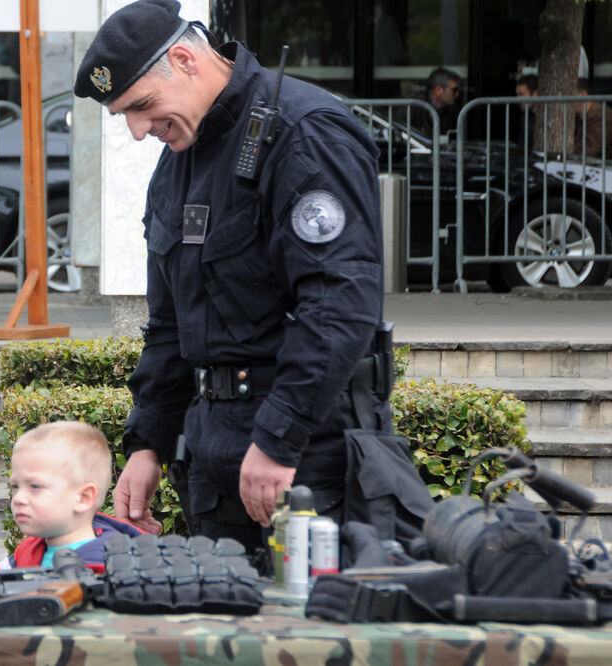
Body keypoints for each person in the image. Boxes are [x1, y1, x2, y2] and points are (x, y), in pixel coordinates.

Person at [73, 0, 423, 558]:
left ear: (185, 60)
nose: (139, 131)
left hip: (308, 454)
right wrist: (148, 444)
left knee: (310, 614)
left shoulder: (304, 133)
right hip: (214, 455)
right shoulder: (178, 159)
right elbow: (170, 324)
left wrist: (278, 438)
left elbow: (338, 304)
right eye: (124, 117)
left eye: (141, 106)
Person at [0, 421, 143, 571]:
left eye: (35, 486)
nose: (18, 498)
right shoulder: (21, 556)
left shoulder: (115, 569)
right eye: (15, 487)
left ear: (83, 498)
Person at [412, 66, 461, 138]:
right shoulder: (413, 107)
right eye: (454, 90)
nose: (457, 94)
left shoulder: (453, 112)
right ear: (439, 90)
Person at [572, 79, 612, 159]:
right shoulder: (579, 116)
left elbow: (590, 150)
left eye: (570, 95)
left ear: (583, 94)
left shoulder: (602, 116)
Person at [515, 73, 539, 151]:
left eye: (522, 95)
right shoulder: (525, 117)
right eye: (517, 95)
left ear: (536, 94)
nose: (518, 99)